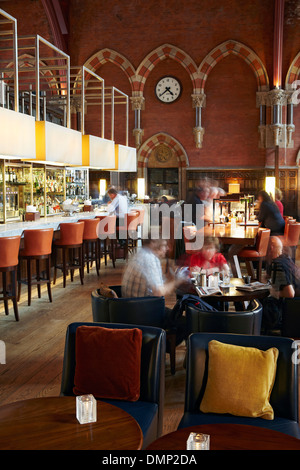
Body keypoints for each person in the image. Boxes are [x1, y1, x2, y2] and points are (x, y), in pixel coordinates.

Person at [121, 236, 188, 343]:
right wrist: (178, 281)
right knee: (187, 323)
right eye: (164, 245)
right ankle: (158, 347)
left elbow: (154, 286)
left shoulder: (140, 254)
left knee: (177, 314)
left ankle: (157, 346)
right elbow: (159, 292)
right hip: (144, 315)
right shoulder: (150, 259)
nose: (167, 249)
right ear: (153, 243)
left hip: (130, 310)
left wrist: (171, 278)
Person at [261, 236, 298, 333]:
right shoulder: (286, 259)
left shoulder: (277, 264)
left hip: (290, 306)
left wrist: (273, 293)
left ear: (271, 248)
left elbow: (290, 293)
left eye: (264, 247)